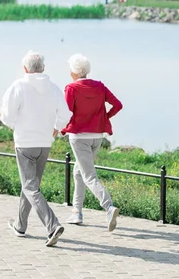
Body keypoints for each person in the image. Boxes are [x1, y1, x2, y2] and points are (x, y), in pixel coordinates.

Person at [0, 51, 72, 247]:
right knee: (30, 186)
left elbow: (9, 117)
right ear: (43, 68)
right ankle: (20, 226)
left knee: (30, 187)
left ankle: (53, 225)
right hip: (45, 143)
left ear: (24, 69)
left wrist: (1, 113)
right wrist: (56, 129)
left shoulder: (18, 86)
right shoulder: (54, 89)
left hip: (24, 144)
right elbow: (65, 115)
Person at [61, 54, 123, 231]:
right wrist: (104, 118)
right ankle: (76, 212)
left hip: (80, 138)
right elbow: (118, 105)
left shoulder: (71, 88)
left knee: (88, 175)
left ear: (73, 71)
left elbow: (67, 113)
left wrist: (62, 128)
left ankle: (109, 207)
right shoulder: (100, 86)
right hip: (97, 136)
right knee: (79, 172)